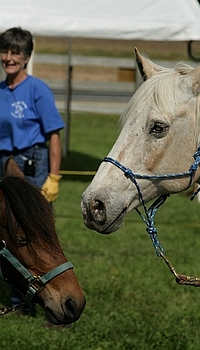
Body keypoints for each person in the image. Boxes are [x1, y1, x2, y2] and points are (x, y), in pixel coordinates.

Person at [0, 27, 65, 314]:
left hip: (32, 164)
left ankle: (37, 299)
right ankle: (18, 299)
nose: (8, 57)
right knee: (9, 234)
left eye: (16, 52)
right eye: (5, 51)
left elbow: (53, 135)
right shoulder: (0, 91)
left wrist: (53, 177)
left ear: (26, 57)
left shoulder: (38, 90)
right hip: (4, 164)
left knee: (32, 234)